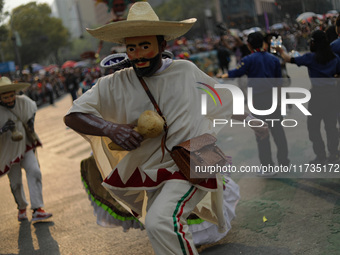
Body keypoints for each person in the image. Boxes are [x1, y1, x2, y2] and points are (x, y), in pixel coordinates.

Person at [64, 2, 267, 254]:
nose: (137, 54)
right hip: (150, 172)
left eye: (145, 46)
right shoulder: (113, 84)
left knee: (160, 221)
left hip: (191, 162)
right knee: (158, 223)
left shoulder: (185, 71)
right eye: (131, 47)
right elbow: (73, 115)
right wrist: (109, 128)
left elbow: (220, 97)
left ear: (163, 45)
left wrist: (252, 120)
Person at [219, 31, 290, 172]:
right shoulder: (274, 59)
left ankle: (267, 166)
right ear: (263, 43)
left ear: (249, 45)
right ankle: (284, 163)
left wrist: (222, 75)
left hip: (257, 101)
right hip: (273, 99)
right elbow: (279, 82)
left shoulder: (248, 59)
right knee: (278, 132)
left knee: (261, 132)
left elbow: (235, 73)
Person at [277, 30, 340, 164]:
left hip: (317, 96)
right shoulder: (335, 58)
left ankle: (321, 155)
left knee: (313, 128)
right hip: (332, 95)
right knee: (331, 127)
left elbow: (289, 59)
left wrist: (280, 50)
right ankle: (333, 153)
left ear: (313, 43)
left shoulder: (311, 58)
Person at [0, 76, 53, 222]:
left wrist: (30, 122)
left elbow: (32, 110)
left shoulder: (24, 102)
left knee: (35, 171)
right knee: (15, 183)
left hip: (25, 145)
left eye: (11, 95)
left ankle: (38, 209)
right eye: (5, 97)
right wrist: (2, 130)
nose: (10, 99)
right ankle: (21, 207)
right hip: (8, 152)